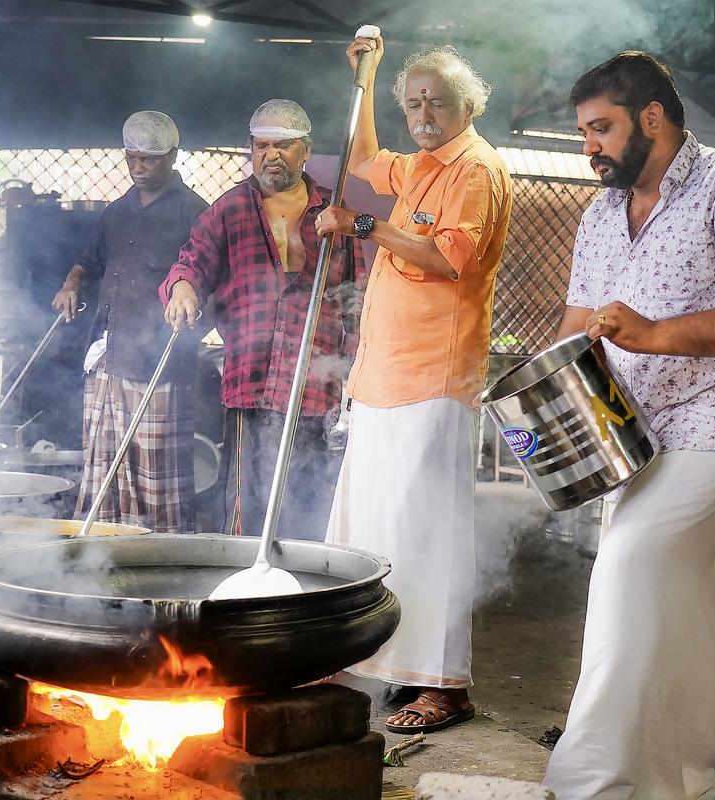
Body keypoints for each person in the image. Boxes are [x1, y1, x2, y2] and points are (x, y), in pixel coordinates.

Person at [542, 52, 715, 799]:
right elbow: (576, 327)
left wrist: (655, 333)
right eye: (584, 132)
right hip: (634, 432)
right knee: (685, 595)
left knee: (631, 565)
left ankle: (596, 783)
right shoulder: (601, 213)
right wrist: (530, 391)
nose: (589, 146)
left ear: (652, 117)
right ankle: (689, 777)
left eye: (601, 128)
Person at [315, 35, 513, 734]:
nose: (424, 111)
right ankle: (362, 657)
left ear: (469, 104)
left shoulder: (475, 170)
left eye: (437, 99)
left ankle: (442, 684)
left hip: (435, 378)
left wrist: (365, 224)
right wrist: (366, 81)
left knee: (429, 532)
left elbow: (446, 258)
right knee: (370, 522)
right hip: (383, 377)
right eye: (413, 101)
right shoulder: (423, 165)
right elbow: (366, 160)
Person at [161, 100, 366, 541]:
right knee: (245, 501)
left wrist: (356, 370)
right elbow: (191, 261)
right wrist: (182, 286)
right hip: (249, 380)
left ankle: (302, 593)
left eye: (284, 146)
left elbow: (357, 296)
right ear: (250, 149)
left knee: (307, 497)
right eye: (261, 146)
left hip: (316, 383)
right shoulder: (229, 209)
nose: (271, 156)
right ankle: (244, 591)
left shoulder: (333, 213)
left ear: (305, 150)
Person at [51, 110, 209, 533]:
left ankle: (160, 551)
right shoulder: (115, 213)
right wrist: (72, 282)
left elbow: (211, 280)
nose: (138, 168)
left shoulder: (194, 213)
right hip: (110, 354)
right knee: (101, 461)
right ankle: (101, 550)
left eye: (149, 159)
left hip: (160, 365)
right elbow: (88, 262)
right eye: (132, 158)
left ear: (173, 156)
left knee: (154, 470)